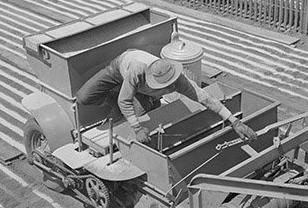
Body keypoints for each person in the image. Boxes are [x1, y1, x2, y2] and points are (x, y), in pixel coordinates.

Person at [77, 48, 258, 145]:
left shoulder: (180, 81)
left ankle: (147, 99)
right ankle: (121, 94)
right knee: (84, 97)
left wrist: (235, 122)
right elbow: (124, 101)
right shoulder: (137, 71)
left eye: (170, 85)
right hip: (119, 69)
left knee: (136, 116)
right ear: (152, 80)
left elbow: (206, 98)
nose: (170, 88)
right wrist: (138, 129)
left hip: (139, 88)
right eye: (162, 87)